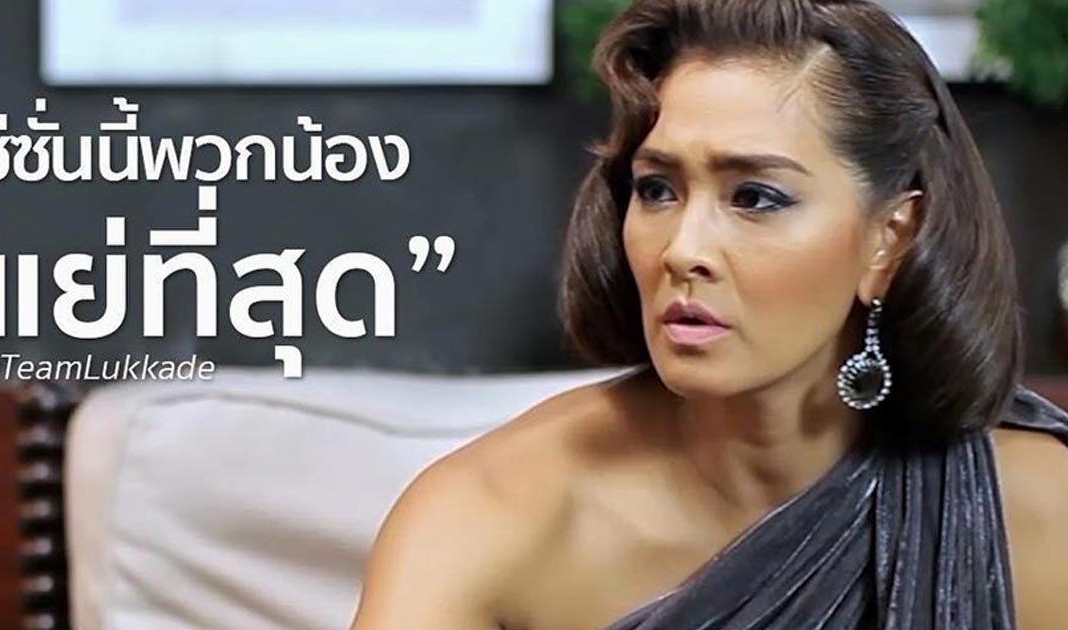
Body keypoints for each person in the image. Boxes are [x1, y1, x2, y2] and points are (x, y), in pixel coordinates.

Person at [348, 0, 1068, 628]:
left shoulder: (1033, 514)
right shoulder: (488, 517)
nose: (683, 249)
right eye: (657, 190)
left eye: (755, 197)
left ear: (890, 239)